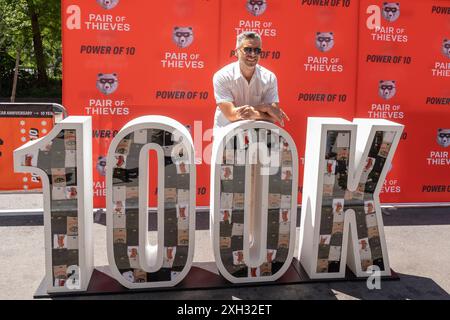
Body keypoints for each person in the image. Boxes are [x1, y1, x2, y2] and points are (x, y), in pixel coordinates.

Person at [212, 31, 289, 135]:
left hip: (257, 136)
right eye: (248, 49)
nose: (253, 54)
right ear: (236, 52)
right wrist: (263, 108)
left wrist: (255, 112)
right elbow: (231, 114)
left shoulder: (270, 77)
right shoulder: (222, 76)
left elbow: (274, 115)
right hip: (227, 134)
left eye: (257, 50)